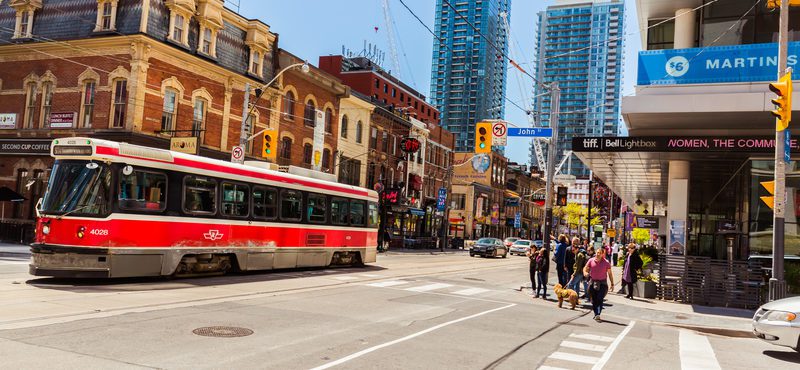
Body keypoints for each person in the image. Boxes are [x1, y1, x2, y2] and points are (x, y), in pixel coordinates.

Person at [583, 247, 615, 322]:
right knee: (593, 299)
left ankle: (598, 314)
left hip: (602, 283)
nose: (597, 254)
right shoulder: (591, 260)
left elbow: (610, 274)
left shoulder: (606, 262)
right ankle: (596, 313)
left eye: (599, 253)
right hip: (592, 282)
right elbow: (585, 268)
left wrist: (612, 283)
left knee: (600, 299)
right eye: (597, 252)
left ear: (602, 254)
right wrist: (585, 273)